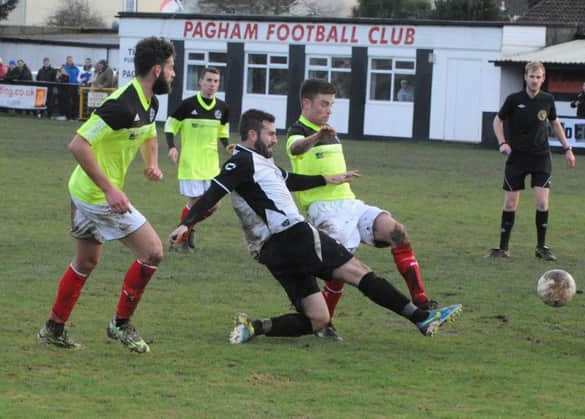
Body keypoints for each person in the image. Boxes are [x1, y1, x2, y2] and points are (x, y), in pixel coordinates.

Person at [168, 109, 462, 344]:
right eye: (270, 134)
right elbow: (214, 191)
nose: (274, 139)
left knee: (317, 319)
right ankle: (421, 318)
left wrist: (326, 179)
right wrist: (186, 224)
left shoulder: (260, 163)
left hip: (271, 251)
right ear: (252, 134)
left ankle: (254, 328)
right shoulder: (241, 161)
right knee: (358, 272)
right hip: (292, 235)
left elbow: (289, 180)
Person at [37, 37, 176, 353]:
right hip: (96, 195)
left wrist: (152, 164)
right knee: (153, 251)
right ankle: (120, 324)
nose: (174, 74)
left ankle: (53, 329)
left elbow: (149, 135)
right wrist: (110, 189)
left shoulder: (149, 102)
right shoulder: (121, 105)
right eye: (171, 68)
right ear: (157, 70)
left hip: (82, 189)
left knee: (86, 260)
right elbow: (77, 144)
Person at [286, 79, 437, 334]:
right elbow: (297, 148)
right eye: (324, 104)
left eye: (332, 105)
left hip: (351, 203)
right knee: (341, 268)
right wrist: (316, 136)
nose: (329, 110)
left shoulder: (331, 132)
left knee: (396, 231)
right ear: (306, 103)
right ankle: (325, 323)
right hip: (324, 210)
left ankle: (420, 299)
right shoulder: (297, 132)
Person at [489, 61, 576, 261]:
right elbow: (497, 120)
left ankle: (541, 248)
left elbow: (555, 124)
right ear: (525, 77)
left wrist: (568, 149)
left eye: (538, 77)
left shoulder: (548, 100)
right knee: (510, 203)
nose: (535, 80)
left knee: (542, 202)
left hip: (541, 157)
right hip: (517, 157)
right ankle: (503, 248)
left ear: (543, 79)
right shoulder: (513, 99)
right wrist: (502, 142)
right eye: (531, 76)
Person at [164, 67, 231, 252]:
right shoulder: (187, 105)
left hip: (211, 164)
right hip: (191, 163)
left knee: (215, 204)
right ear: (200, 82)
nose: (212, 85)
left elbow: (223, 134)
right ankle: (183, 239)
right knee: (195, 203)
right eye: (208, 80)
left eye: (216, 81)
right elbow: (170, 127)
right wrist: (171, 147)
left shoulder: (222, 108)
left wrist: (228, 146)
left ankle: (184, 229)